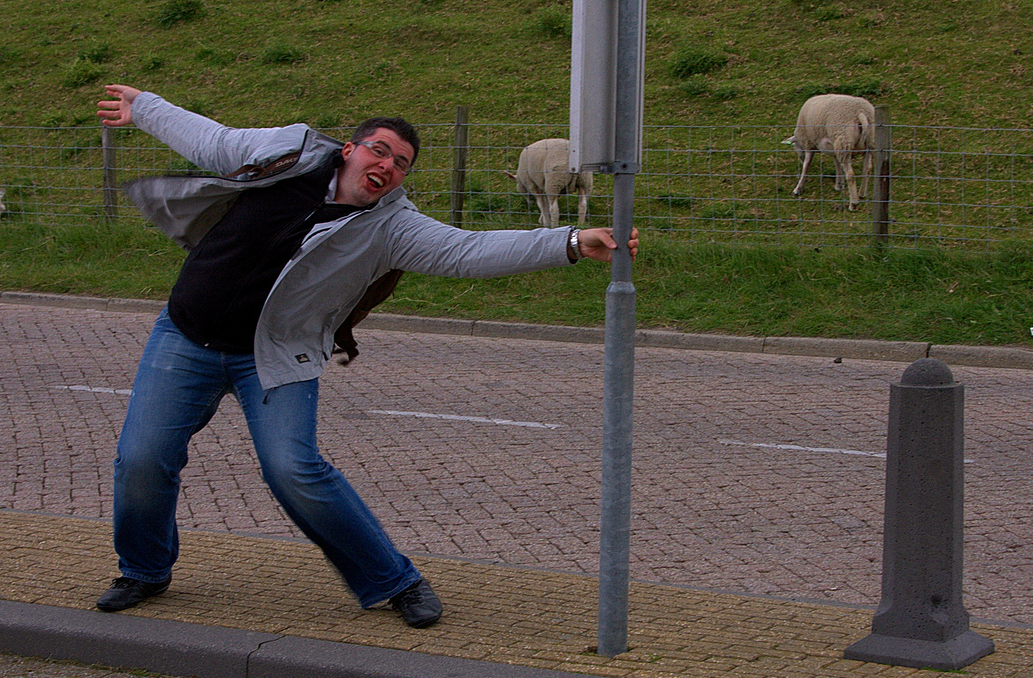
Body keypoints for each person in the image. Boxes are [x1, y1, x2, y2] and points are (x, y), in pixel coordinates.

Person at [94, 84, 638, 628]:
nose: (387, 166)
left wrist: (568, 243)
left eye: (401, 164)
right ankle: (143, 570)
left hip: (278, 355)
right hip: (187, 335)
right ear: (349, 150)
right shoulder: (287, 151)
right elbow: (212, 140)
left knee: (293, 469)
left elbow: (467, 250)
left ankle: (395, 581)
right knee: (141, 458)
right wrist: (146, 108)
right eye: (378, 150)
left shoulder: (392, 226)